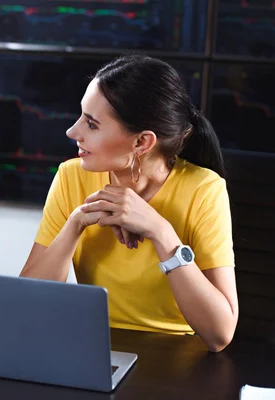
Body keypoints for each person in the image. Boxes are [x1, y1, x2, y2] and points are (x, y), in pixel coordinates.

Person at [20, 55, 238, 352]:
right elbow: (27, 304)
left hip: (176, 356)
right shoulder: (71, 176)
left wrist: (161, 232)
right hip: (96, 347)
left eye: (92, 124)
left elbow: (219, 334)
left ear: (141, 143)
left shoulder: (203, 189)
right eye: (81, 116)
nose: (73, 132)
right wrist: (76, 222)